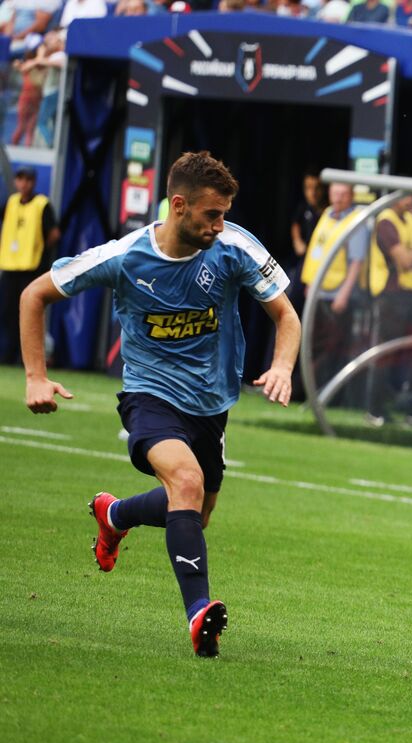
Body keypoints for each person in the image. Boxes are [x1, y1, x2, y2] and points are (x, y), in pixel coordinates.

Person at [18, 151, 301, 658]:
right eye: (212, 214)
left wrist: (281, 367)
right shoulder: (126, 257)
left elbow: (286, 315)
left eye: (225, 214)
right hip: (150, 395)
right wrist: (36, 377)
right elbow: (34, 294)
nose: (221, 225)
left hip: (212, 403)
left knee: (197, 510)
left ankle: (117, 515)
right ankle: (198, 615)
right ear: (178, 205)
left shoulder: (234, 247)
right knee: (186, 483)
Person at [365, 193, 412, 424]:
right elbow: (407, 261)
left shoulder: (410, 221)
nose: (410, 203)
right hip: (389, 295)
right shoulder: (386, 221)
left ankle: (411, 410)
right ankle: (375, 410)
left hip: (408, 295)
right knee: (384, 354)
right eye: (405, 198)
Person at [300, 181, 369, 386]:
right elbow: (317, 253)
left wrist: (344, 294)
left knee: (332, 346)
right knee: (314, 342)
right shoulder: (328, 214)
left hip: (337, 294)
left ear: (351, 195)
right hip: (318, 292)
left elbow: (357, 261)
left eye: (343, 194)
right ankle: (307, 387)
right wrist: (310, 284)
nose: (338, 198)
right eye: (335, 193)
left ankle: (321, 389)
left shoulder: (356, 221)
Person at [0, 167, 59, 364]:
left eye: (28, 180)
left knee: (29, 313)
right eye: (20, 180)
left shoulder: (42, 205)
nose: (23, 184)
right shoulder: (11, 203)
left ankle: (25, 358)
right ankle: (8, 355)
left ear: (33, 182)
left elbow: (53, 234)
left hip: (32, 268)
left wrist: (40, 253)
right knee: (7, 313)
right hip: (10, 266)